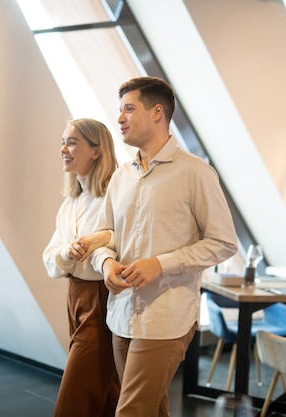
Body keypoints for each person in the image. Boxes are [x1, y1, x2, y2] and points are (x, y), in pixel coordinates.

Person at [90, 76, 238, 417]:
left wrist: (161, 263)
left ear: (158, 112)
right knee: (152, 409)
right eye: (120, 110)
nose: (120, 118)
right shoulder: (121, 175)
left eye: (129, 109)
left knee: (131, 411)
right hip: (121, 312)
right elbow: (104, 233)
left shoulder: (196, 172)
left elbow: (224, 242)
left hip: (166, 317)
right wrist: (106, 263)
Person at [42, 118, 120, 417]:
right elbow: (50, 258)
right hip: (75, 296)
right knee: (103, 388)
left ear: (96, 151)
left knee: (75, 395)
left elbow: (126, 241)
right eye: (63, 142)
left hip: (100, 297)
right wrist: (67, 251)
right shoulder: (71, 204)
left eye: (72, 142)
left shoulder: (114, 196)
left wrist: (96, 240)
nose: (63, 149)